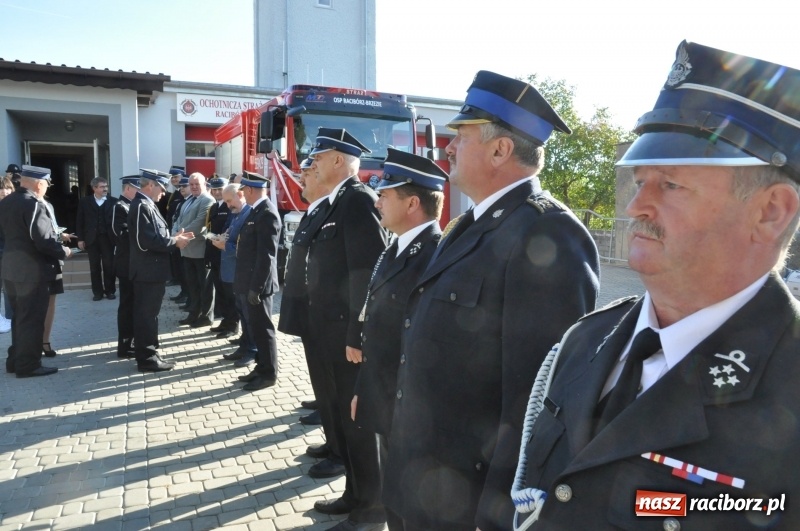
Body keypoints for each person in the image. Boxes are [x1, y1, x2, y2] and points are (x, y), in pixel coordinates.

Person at [511, 40, 800, 531]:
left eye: (669, 184)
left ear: (770, 212)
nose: (635, 207)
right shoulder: (583, 340)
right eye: (639, 180)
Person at [382, 71, 600, 531]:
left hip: (465, 498)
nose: (447, 148)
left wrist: (500, 511)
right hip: (421, 477)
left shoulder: (547, 234)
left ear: (501, 150)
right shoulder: (470, 225)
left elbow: (537, 401)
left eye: (460, 136)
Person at [350, 149, 448, 531]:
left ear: (412, 203)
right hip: (386, 396)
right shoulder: (396, 247)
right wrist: (364, 387)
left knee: (412, 502)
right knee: (392, 491)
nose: (377, 201)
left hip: (414, 409)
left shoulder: (435, 255)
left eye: (385, 195)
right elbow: (377, 327)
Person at [305, 128, 389, 530]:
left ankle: (370, 513)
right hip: (330, 334)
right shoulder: (337, 203)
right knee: (344, 421)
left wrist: (358, 334)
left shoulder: (358, 201)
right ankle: (354, 495)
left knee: (359, 428)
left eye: (319, 157)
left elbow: (367, 274)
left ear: (339, 160)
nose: (312, 163)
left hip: (348, 339)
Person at [277, 157, 345, 477]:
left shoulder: (335, 209)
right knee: (323, 385)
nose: (301, 180)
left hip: (329, 318)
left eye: (307, 174)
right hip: (310, 312)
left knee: (333, 389)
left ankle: (340, 451)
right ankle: (332, 444)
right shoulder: (315, 211)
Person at [0, 165, 72, 377]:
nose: (46, 189)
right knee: (31, 319)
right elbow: (44, 241)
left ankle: (15, 359)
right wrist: (64, 251)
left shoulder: (7, 202)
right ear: (40, 184)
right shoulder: (34, 205)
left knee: (19, 318)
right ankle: (28, 365)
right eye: (46, 185)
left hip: (11, 270)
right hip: (33, 273)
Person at [129, 169, 194, 372]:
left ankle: (150, 352)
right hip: (148, 272)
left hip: (151, 271)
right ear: (150, 185)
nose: (164, 192)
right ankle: (147, 358)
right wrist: (175, 241)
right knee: (147, 315)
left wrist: (174, 236)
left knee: (149, 314)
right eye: (162, 187)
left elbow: (155, 235)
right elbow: (145, 241)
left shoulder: (147, 204)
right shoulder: (141, 205)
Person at [232, 171, 282, 391]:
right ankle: (261, 367)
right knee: (256, 329)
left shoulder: (267, 213)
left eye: (244, 190)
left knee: (264, 330)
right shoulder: (256, 211)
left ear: (250, 190)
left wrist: (257, 288)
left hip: (258, 285)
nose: (243, 194)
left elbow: (266, 255)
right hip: (250, 282)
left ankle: (269, 373)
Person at [214, 183, 258, 364]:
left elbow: (248, 246)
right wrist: (223, 237)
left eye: (230, 200)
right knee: (241, 311)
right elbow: (233, 235)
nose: (227, 205)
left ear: (240, 194)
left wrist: (226, 245)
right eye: (225, 201)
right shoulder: (236, 213)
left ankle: (252, 349)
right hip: (234, 273)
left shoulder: (248, 213)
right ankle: (244, 345)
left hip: (243, 272)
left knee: (249, 316)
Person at [174, 173, 214, 328]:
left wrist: (179, 236)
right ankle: (194, 313)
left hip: (199, 249)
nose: (194, 187)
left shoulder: (207, 200)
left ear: (204, 183)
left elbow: (199, 224)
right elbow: (178, 220)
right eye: (191, 184)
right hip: (186, 249)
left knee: (204, 286)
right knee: (192, 285)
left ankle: (206, 316)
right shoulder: (189, 200)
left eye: (197, 184)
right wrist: (175, 235)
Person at [111, 175, 141, 359]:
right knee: (127, 305)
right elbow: (119, 232)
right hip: (126, 263)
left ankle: (133, 340)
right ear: (129, 188)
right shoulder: (119, 206)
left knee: (134, 304)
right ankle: (124, 344)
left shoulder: (132, 205)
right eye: (138, 189)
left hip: (135, 262)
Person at [206, 176, 237, 338]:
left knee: (229, 293)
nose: (217, 192)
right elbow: (208, 229)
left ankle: (232, 325)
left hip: (226, 254)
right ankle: (226, 321)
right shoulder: (214, 207)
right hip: (216, 253)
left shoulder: (230, 207)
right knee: (221, 291)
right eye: (215, 189)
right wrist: (211, 237)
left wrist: (215, 237)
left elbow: (229, 231)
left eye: (220, 189)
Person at [76, 177, 117, 301]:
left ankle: (110, 291)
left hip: (108, 238)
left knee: (109, 265)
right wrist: (80, 239)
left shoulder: (113, 201)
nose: (105, 189)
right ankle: (97, 292)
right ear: (94, 188)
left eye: (106, 186)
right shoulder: (85, 201)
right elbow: (80, 221)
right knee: (94, 267)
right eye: (102, 187)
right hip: (91, 239)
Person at [164, 167, 188, 297]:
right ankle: (182, 290)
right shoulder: (174, 194)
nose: (174, 180)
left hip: (181, 234)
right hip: (174, 232)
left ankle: (185, 293)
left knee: (183, 267)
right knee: (177, 264)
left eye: (176, 177)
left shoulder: (183, 195)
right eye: (172, 177)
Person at [0, 175, 16, 333]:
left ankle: (11, 317)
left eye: (8, 188)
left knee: (10, 287)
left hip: (13, 254)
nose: (5, 191)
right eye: (1, 188)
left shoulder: (16, 207)